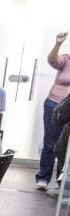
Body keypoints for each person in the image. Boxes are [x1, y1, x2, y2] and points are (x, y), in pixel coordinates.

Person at [36, 32, 70, 190]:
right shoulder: (66, 59)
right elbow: (52, 61)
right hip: (54, 106)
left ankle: (61, 183)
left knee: (65, 147)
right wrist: (58, 44)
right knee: (50, 142)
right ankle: (43, 177)